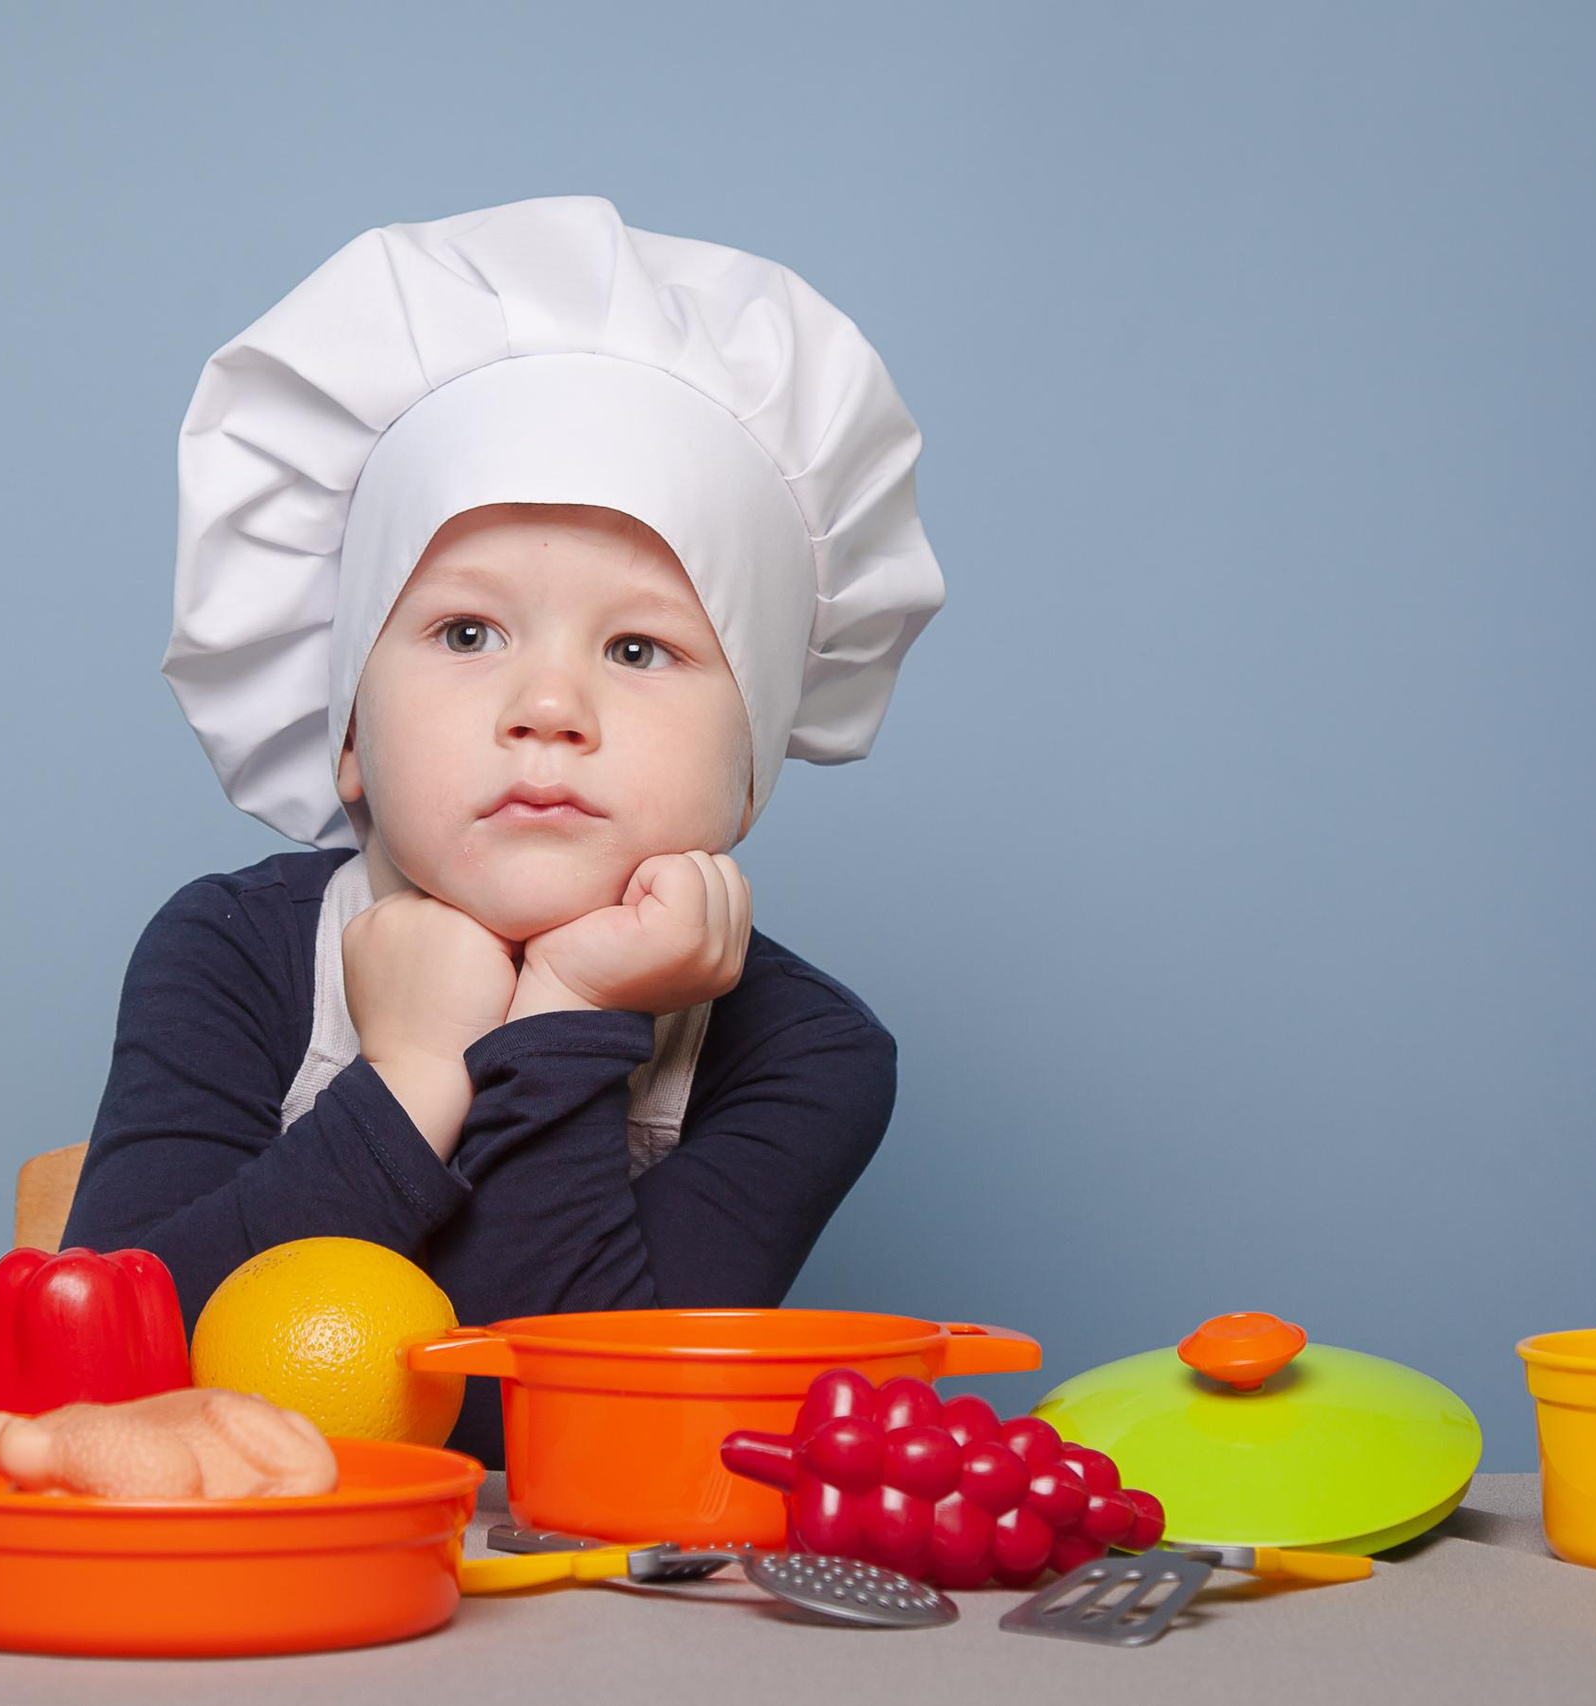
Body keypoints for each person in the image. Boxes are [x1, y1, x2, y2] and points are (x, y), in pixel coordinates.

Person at [61, 196, 946, 1465]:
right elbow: (105, 1368)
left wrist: (569, 1014)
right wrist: (409, 1070)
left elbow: (578, 1430)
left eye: (639, 647)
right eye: (466, 633)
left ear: (751, 762)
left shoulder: (805, 1055)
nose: (547, 707)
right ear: (349, 735)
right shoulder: (231, 952)